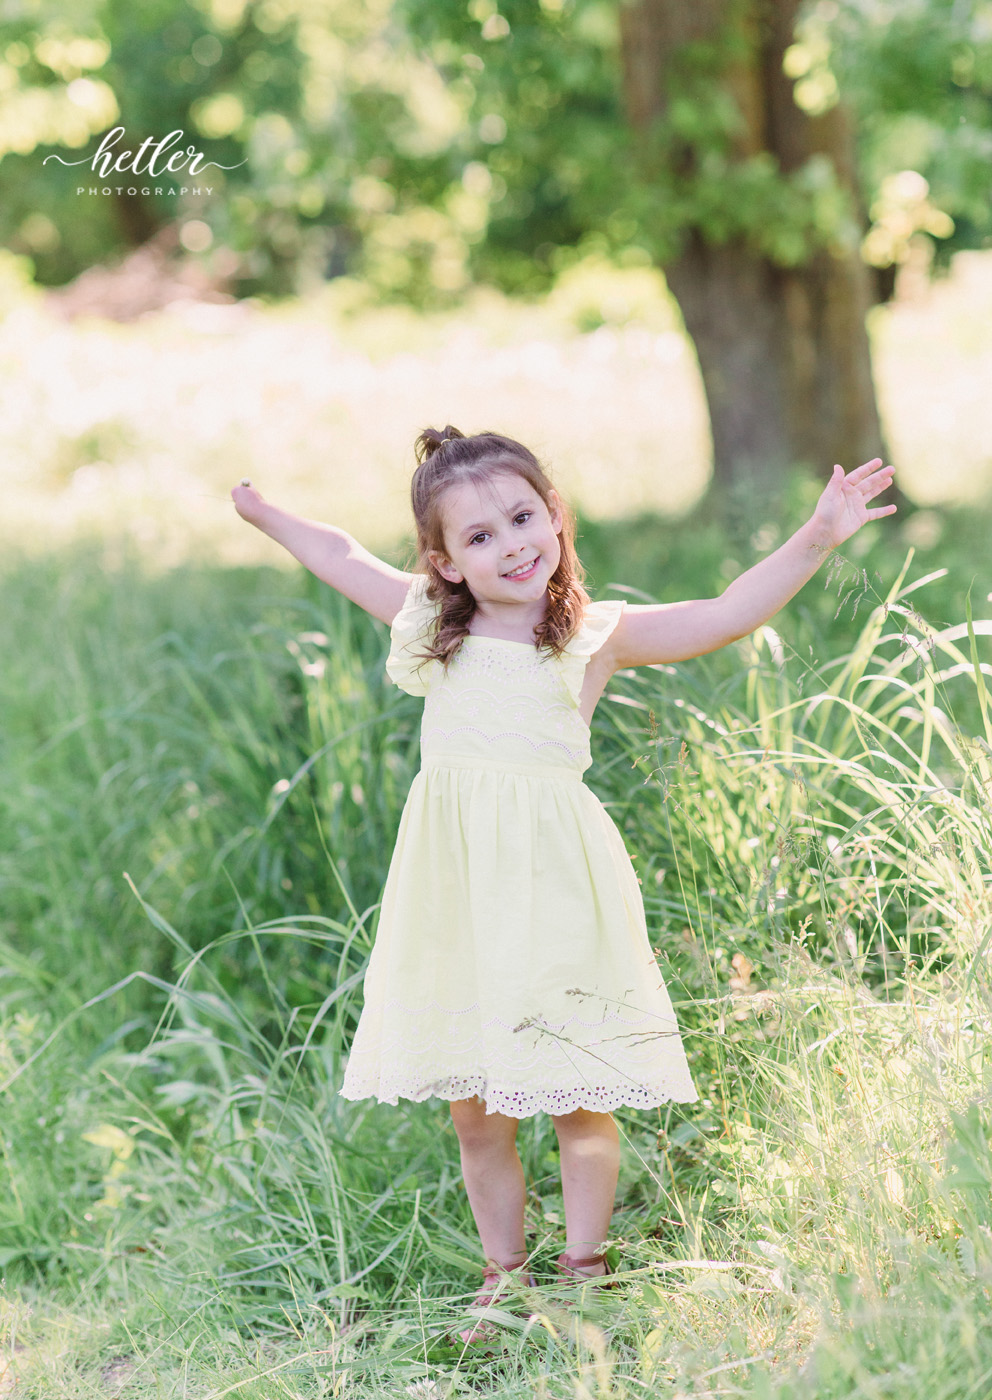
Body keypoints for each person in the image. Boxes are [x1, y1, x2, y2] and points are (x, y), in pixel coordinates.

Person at [231, 428, 895, 1343]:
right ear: (445, 563)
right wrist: (265, 513)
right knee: (477, 1111)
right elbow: (340, 553)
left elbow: (724, 613)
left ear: (554, 517)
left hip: (555, 893)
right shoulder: (431, 622)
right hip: (458, 897)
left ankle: (585, 1270)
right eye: (480, 537)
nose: (511, 544)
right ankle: (507, 1273)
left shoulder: (589, 634)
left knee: (578, 1094)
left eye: (522, 516)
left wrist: (818, 534)